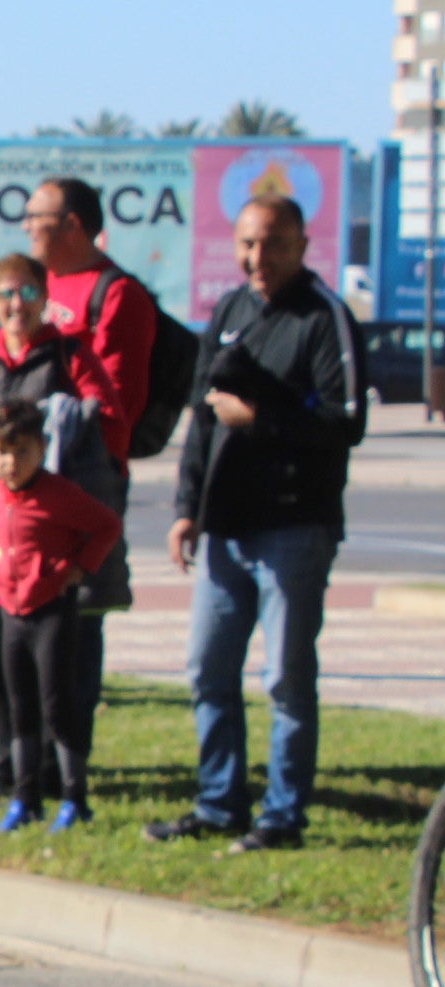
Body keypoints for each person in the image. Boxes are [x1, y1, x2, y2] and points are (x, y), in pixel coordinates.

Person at [147, 192, 366, 852]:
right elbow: (203, 420)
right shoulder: (232, 310)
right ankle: (219, 804)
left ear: (302, 245)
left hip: (294, 530)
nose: (256, 257)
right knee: (207, 671)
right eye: (246, 244)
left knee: (286, 680)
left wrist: (264, 419)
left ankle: (282, 817)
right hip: (225, 527)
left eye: (271, 243)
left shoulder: (324, 317)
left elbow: (345, 422)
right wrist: (187, 508)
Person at [0, 257, 105, 796]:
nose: (17, 304)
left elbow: (108, 417)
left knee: (56, 666)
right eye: (7, 293)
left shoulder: (69, 354)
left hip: (50, 537)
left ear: (44, 297)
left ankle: (60, 775)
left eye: (28, 292)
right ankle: (9, 768)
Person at [22, 178, 160, 745]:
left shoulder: (117, 295)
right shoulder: (37, 286)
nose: (27, 225)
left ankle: (67, 751)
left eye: (38, 215)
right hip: (25, 479)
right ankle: (15, 746)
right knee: (16, 614)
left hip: (82, 481)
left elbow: (116, 407)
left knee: (76, 621)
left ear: (74, 224)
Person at [0, 397, 122, 833]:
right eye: (2, 453)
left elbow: (107, 525)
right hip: (11, 613)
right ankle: (26, 799)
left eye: (22, 452)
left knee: (57, 705)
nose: (11, 462)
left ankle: (75, 798)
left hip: (51, 613)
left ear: (41, 449)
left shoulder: (59, 494)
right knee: (20, 708)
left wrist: (81, 568)